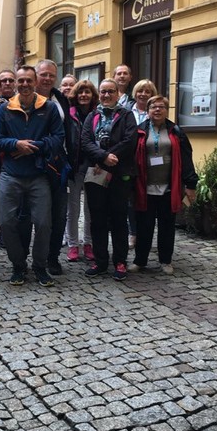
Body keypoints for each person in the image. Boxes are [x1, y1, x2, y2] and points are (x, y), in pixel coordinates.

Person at [0, 65, 64, 287]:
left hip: (38, 174)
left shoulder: (49, 108)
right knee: (7, 223)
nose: (24, 84)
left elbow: (58, 138)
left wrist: (33, 147)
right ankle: (18, 265)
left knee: (43, 223)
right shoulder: (5, 109)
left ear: (35, 82)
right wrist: (15, 144)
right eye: (21, 80)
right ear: (16, 83)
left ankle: (40, 266)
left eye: (28, 80)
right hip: (11, 174)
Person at [131, 95, 198, 275]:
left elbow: (186, 158)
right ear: (147, 110)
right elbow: (131, 156)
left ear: (167, 110)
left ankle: (165, 260)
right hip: (145, 187)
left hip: (169, 187)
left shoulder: (176, 131)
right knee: (144, 226)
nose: (157, 110)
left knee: (167, 226)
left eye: (161, 107)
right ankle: (140, 261)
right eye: (153, 107)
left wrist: (190, 184)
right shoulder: (139, 130)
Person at [81, 77, 137, 281]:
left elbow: (130, 140)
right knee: (97, 219)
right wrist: (103, 156)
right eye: (103, 91)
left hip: (119, 174)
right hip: (96, 173)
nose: (106, 95)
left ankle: (120, 261)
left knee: (119, 218)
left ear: (117, 94)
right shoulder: (92, 116)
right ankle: (100, 261)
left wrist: (109, 156)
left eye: (110, 91)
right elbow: (85, 141)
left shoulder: (126, 115)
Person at [35, 59, 71, 275]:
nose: (47, 78)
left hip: (58, 164)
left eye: (51, 75)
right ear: (36, 76)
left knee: (59, 214)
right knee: (34, 216)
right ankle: (29, 258)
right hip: (33, 163)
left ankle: (53, 257)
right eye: (43, 74)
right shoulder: (26, 98)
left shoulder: (60, 99)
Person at [65, 79, 99, 263]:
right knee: (73, 208)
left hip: (94, 167)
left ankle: (88, 243)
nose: (84, 95)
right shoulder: (69, 114)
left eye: (87, 92)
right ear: (76, 95)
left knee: (90, 208)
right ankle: (72, 244)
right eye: (81, 92)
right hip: (74, 166)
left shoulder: (98, 115)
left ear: (93, 95)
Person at [127, 79, 158, 249]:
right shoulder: (127, 111)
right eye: (140, 91)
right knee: (132, 199)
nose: (143, 94)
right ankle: (133, 233)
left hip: (150, 162)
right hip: (131, 160)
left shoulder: (155, 112)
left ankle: (146, 234)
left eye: (148, 91)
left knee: (148, 200)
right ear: (135, 93)